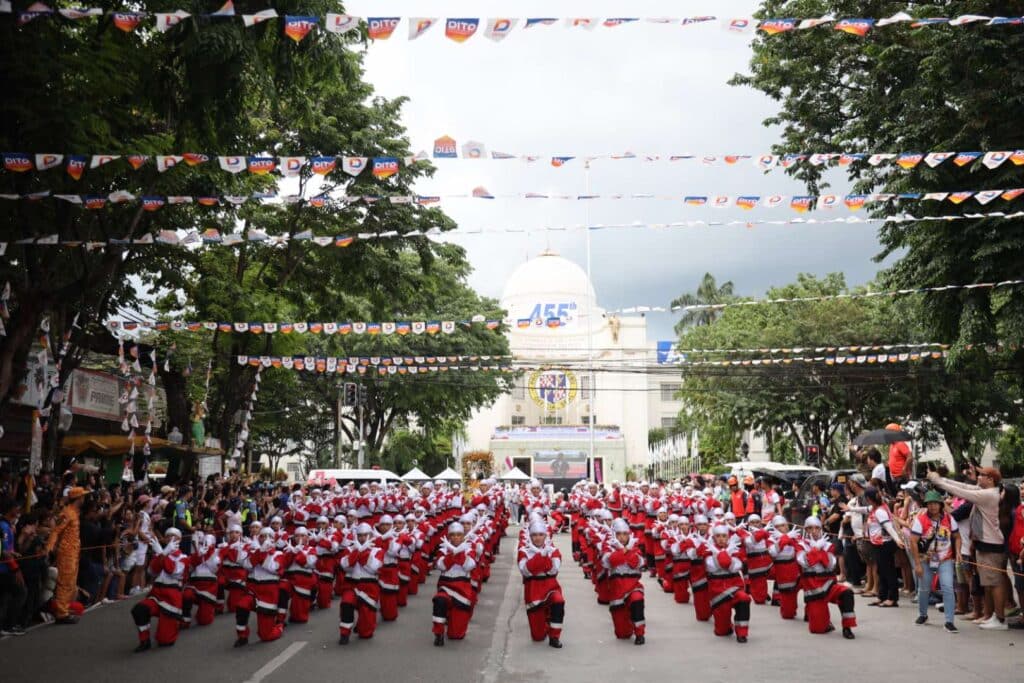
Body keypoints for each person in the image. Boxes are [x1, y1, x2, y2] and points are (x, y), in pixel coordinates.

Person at [928, 466, 1008, 629]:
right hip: (983, 543)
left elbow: (962, 492)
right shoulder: (985, 491)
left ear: (991, 480)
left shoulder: (988, 494)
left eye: (981, 475)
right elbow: (964, 487)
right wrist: (941, 480)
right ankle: (991, 615)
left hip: (991, 544)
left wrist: (937, 481)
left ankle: (1000, 619)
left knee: (995, 583)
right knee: (988, 583)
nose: (978, 477)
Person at [910, 490, 960, 633]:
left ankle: (949, 621)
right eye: (929, 504)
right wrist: (917, 565)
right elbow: (913, 542)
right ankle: (923, 614)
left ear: (940, 504)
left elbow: (957, 537)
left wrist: (958, 552)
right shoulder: (920, 520)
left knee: (948, 588)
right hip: (926, 559)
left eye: (935, 503)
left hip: (945, 559)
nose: (932, 507)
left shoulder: (949, 519)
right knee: (924, 589)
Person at [798, 517, 856, 639]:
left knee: (847, 593)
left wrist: (816, 552)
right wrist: (817, 550)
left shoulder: (828, 545)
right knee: (817, 629)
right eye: (810, 528)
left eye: (817, 528)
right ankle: (819, 618)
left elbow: (830, 564)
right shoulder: (800, 545)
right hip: (814, 589)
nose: (814, 531)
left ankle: (847, 627)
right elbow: (805, 562)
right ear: (805, 529)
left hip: (829, 585)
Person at [131, 528, 187, 652]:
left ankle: (175, 622)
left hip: (171, 599)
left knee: (165, 641)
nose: (170, 538)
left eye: (174, 536)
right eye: (168, 536)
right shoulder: (160, 553)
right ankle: (145, 641)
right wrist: (162, 553)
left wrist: (162, 553)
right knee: (139, 609)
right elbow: (152, 571)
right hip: (156, 594)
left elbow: (173, 571)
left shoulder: (184, 557)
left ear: (180, 539)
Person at [517, 519, 565, 648]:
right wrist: (542, 557)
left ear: (545, 535)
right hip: (533, 590)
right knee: (537, 637)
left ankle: (554, 636)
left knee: (558, 601)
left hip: (550, 586)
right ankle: (545, 621)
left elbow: (553, 569)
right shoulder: (524, 551)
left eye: (541, 534)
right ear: (530, 536)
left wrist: (537, 562)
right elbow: (525, 571)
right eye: (534, 535)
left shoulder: (553, 550)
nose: (538, 538)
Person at [601, 518, 646, 644]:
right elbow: (610, 562)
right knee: (622, 634)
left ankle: (640, 633)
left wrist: (624, 552)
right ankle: (629, 623)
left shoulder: (635, 546)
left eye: (625, 534)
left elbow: (636, 563)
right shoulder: (608, 546)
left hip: (633, 585)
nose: (622, 537)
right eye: (619, 534)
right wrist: (624, 550)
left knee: (637, 600)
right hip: (617, 589)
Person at [45, 486, 86, 624]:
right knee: (65, 583)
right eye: (83, 496)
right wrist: (49, 547)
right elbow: (56, 531)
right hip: (67, 553)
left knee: (71, 583)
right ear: (79, 498)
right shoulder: (67, 513)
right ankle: (61, 614)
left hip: (73, 553)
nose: (84, 498)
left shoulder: (74, 512)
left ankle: (64, 610)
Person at [432, 522, 477, 646]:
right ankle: (438, 632)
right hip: (445, 586)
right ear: (449, 536)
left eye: (459, 535)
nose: (456, 537)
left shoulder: (469, 549)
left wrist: (459, 552)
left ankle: (451, 620)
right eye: (453, 535)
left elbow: (469, 566)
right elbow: (441, 566)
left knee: (456, 635)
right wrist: (453, 553)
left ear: (463, 536)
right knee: (439, 600)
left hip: (462, 589)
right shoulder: (442, 549)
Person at [339, 522, 384, 644]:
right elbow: (345, 566)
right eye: (360, 535)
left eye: (365, 535)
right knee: (346, 603)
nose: (362, 538)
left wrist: (362, 552)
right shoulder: (349, 549)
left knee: (366, 633)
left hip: (369, 587)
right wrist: (357, 551)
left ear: (371, 535)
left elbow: (374, 568)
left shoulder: (378, 550)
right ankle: (344, 633)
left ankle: (363, 626)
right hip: (351, 584)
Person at [706, 524, 751, 643]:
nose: (721, 539)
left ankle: (742, 632)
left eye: (724, 536)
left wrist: (723, 554)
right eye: (718, 536)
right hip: (717, 592)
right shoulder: (707, 551)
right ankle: (727, 627)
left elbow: (735, 567)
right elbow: (712, 567)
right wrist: (724, 554)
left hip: (734, 586)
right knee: (721, 632)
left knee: (744, 598)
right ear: (714, 538)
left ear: (728, 537)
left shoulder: (736, 550)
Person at [0, 497, 28, 635]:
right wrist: (15, 568)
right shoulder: (3, 526)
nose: (18, 510)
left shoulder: (8, 525)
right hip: (5, 568)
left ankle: (4, 625)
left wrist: (13, 553)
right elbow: (4, 551)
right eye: (16, 507)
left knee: (5, 596)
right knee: (21, 592)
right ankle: (9, 625)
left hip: (7, 567)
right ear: (10, 509)